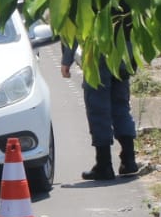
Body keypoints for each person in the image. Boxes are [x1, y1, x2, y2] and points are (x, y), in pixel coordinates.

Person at [60, 35, 139, 180]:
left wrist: (66, 60)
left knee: (98, 111)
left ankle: (104, 164)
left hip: (98, 55)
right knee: (121, 107)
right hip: (123, 54)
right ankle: (129, 159)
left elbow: (75, 28)